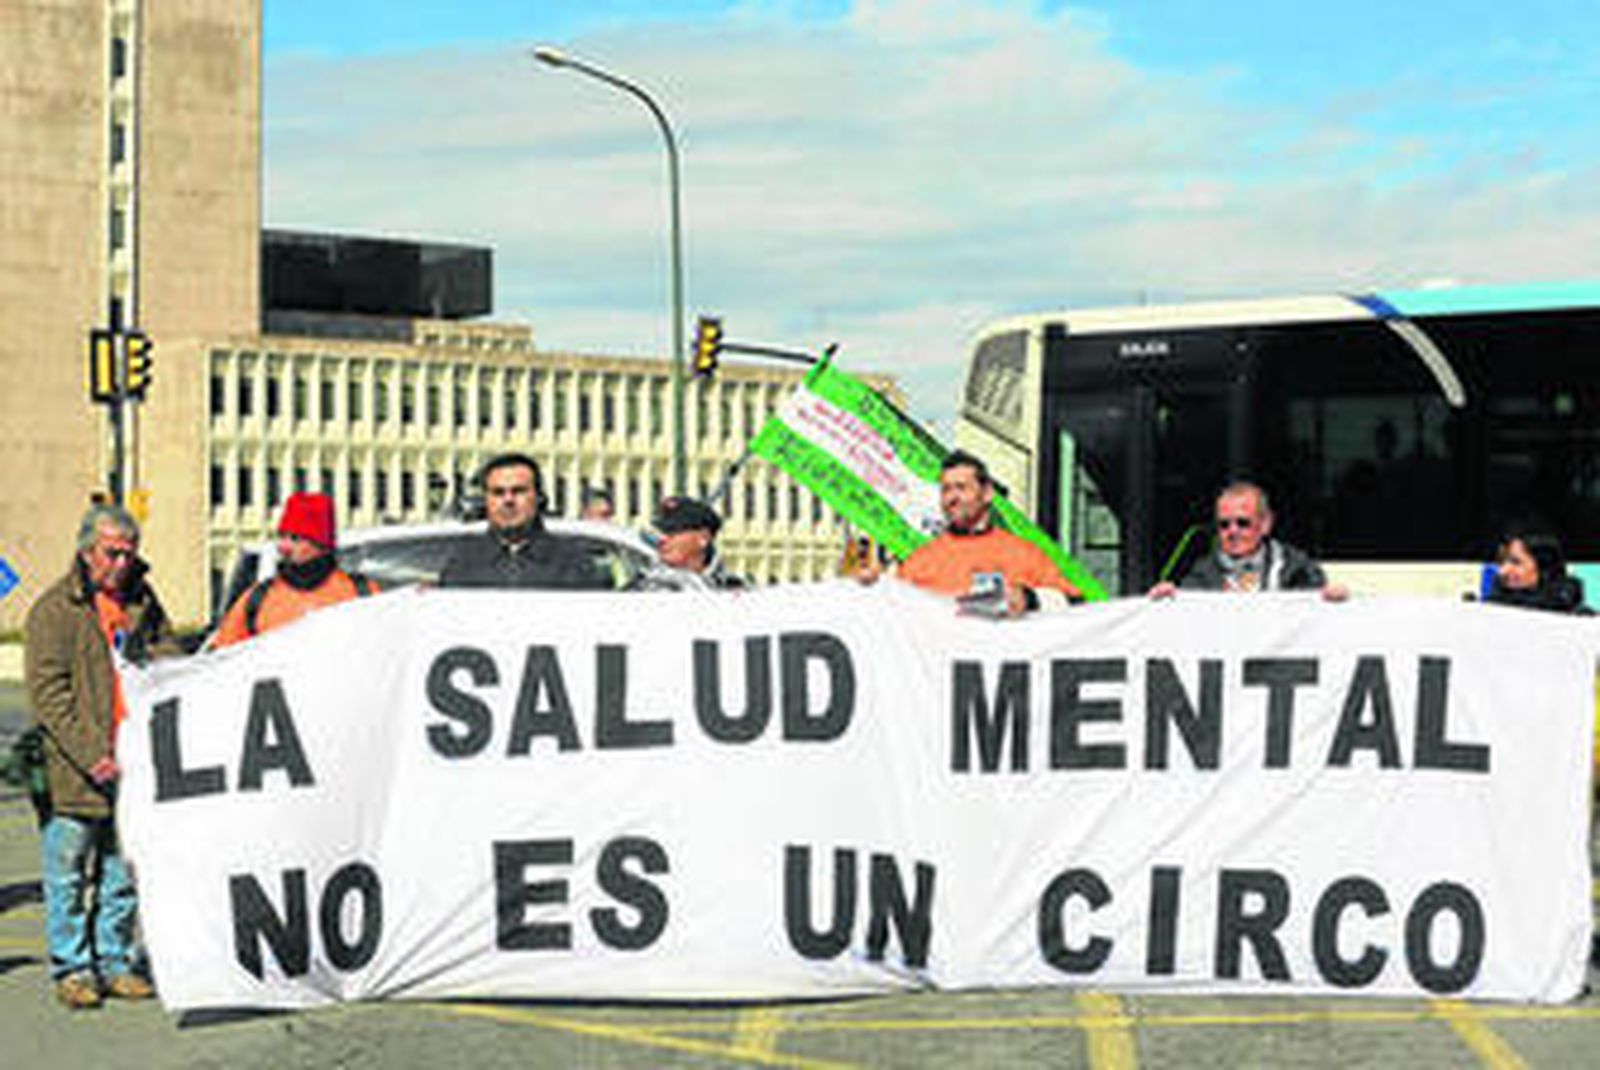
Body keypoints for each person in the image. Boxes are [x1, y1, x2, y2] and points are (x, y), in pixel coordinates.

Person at [24, 504, 178, 1009]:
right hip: (75, 770)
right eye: (113, 553)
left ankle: (114, 962)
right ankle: (73, 968)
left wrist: (168, 666)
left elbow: (168, 653)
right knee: (67, 873)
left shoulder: (141, 601)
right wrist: (91, 754)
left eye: (130, 554)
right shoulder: (53, 611)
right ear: (87, 552)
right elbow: (49, 696)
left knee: (122, 871)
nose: (123, 563)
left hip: (133, 761)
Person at [864, 450, 1081, 616]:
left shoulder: (1025, 554)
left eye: (961, 487)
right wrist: (866, 590)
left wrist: (1029, 599)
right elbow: (890, 617)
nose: (952, 498)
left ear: (987, 494)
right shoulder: (919, 562)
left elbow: (1077, 607)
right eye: (946, 489)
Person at [209, 492, 376, 648]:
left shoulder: (362, 594)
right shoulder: (256, 600)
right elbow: (222, 659)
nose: (283, 547)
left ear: (322, 545)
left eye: (295, 539)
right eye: (281, 536)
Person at [1151, 481, 1347, 600]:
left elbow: (1317, 615)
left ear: (1265, 524)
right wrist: (1169, 600)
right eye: (1224, 524)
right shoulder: (1202, 574)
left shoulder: (1296, 568)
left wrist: (1331, 600)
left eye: (1243, 523)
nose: (1232, 531)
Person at [439, 452, 609, 589]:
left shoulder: (575, 565)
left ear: (539, 497)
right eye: (498, 493)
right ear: (486, 500)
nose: (508, 501)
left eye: (519, 491)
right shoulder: (463, 564)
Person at [640, 496, 747, 590]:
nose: (663, 539)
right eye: (662, 532)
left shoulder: (734, 592)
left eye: (673, 531)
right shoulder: (639, 591)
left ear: (703, 538)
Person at [1484, 528, 1587, 613]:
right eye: (1501, 563)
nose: (1502, 571)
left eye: (1516, 562)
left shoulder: (1579, 619)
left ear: (1544, 567)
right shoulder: (1489, 609)